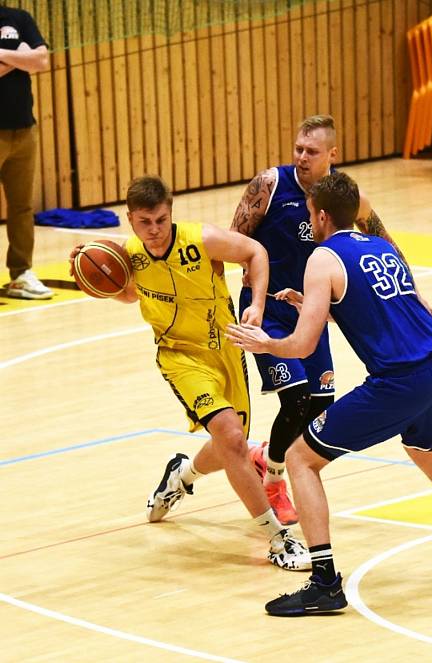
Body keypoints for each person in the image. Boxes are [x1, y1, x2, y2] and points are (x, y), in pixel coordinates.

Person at [226, 172, 432, 616]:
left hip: (399, 379)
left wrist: (265, 344)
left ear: (320, 214)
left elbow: (301, 346)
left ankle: (324, 583)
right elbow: (378, 308)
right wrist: (313, 305)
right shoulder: (378, 245)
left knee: (301, 458)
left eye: (309, 213)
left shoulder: (322, 257)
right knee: (427, 452)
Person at [69, 175, 310, 571]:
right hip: (180, 357)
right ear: (130, 220)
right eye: (145, 222)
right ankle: (278, 539)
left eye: (161, 220)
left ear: (171, 213)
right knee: (233, 439)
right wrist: (89, 269)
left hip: (226, 349)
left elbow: (256, 252)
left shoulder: (202, 239)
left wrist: (259, 304)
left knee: (230, 443)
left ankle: (181, 475)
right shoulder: (129, 254)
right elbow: (127, 292)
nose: (155, 230)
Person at [231, 114, 418, 526]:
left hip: (310, 310)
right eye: (297, 148)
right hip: (266, 308)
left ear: (332, 155)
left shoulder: (345, 197)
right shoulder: (271, 185)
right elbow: (237, 240)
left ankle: (266, 457)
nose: (301, 157)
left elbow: (385, 243)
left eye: (311, 151)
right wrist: (252, 293)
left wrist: (413, 289)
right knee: (296, 398)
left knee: (320, 404)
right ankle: (275, 481)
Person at [0, 5, 52, 299]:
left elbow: (42, 59)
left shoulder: (19, 18)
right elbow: (32, 59)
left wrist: (1, 54)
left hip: (24, 129)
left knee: (21, 207)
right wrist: (20, 56)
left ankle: (20, 274)